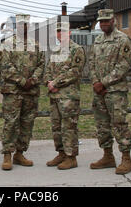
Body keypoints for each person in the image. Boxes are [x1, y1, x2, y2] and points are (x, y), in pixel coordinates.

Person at [89, 9, 131, 175]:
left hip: (115, 91)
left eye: (107, 21)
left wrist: (104, 82)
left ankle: (126, 158)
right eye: (101, 21)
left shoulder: (123, 39)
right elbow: (92, 63)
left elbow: (124, 65)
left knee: (119, 124)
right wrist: (95, 82)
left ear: (113, 20)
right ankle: (108, 156)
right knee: (102, 125)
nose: (104, 24)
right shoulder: (98, 40)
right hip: (99, 91)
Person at [0, 14, 45, 170]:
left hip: (30, 92)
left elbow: (41, 64)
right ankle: (7, 155)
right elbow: (5, 67)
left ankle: (19, 153)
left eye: (25, 24)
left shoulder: (36, 45)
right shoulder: (7, 44)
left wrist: (33, 80)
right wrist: (22, 81)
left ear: (29, 26)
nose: (23, 27)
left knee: (27, 123)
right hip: (13, 92)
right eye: (20, 24)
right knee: (11, 123)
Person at [44, 22, 85, 170]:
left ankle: (71, 157)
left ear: (69, 33)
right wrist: (48, 82)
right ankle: (61, 153)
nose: (61, 34)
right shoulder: (55, 51)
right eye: (58, 31)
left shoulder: (76, 50)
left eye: (64, 31)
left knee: (69, 127)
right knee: (56, 126)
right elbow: (48, 69)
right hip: (55, 97)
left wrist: (55, 83)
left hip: (69, 96)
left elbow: (75, 71)